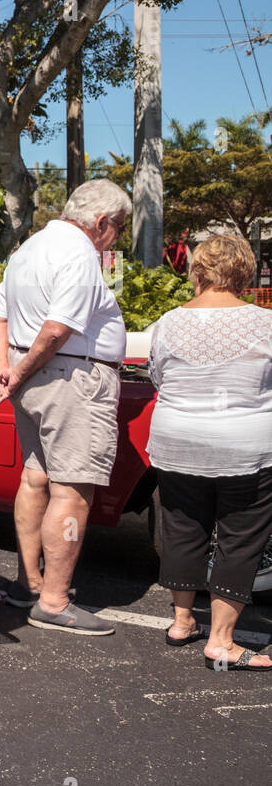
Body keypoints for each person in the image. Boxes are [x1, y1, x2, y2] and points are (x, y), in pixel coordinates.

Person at [0, 179, 131, 636]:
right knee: (72, 490)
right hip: (72, 379)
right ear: (103, 222)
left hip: (34, 378)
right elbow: (57, 329)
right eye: (121, 229)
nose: (119, 239)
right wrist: (18, 372)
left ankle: (29, 585)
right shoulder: (81, 254)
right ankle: (53, 600)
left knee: (34, 478)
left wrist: (6, 372)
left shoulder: (28, 248)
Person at [151, 234, 272, 670]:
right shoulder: (266, 323)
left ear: (197, 272)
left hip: (178, 440)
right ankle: (221, 641)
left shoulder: (167, 322)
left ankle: (183, 622)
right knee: (239, 539)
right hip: (245, 447)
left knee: (183, 528)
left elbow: (158, 377)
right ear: (245, 273)